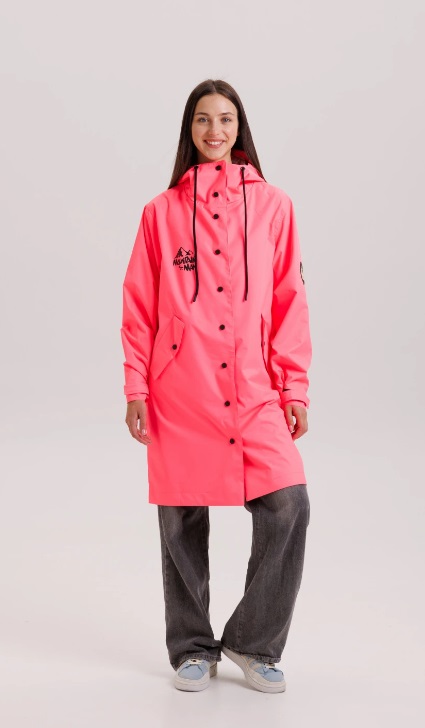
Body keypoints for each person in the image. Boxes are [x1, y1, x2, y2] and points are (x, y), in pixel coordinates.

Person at [120, 79, 312, 693]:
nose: (214, 131)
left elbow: (289, 302)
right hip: (180, 389)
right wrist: (136, 388)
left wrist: (294, 388)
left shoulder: (275, 206)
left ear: (239, 127)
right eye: (203, 120)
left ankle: (253, 642)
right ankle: (191, 648)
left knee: (289, 506)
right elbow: (139, 307)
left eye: (225, 119)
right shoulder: (161, 212)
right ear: (190, 129)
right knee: (180, 521)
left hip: (254, 390)